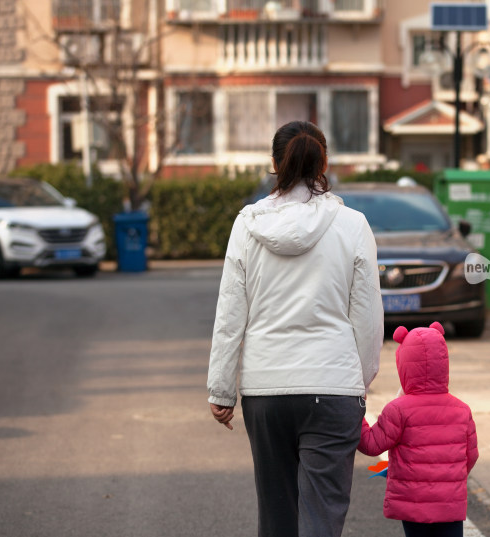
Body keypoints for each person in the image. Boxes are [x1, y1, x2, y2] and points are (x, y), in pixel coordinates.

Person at [207, 120, 384, 537]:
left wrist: (220, 388)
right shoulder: (353, 225)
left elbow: (231, 312)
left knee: (277, 515)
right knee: (322, 515)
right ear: (324, 163)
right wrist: (358, 380)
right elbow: (367, 315)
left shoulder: (247, 225)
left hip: (266, 390)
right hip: (332, 386)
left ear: (275, 162)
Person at [358, 322, 478, 537]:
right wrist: (449, 481)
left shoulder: (398, 409)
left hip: (412, 504)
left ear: (403, 364)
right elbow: (471, 455)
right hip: (449, 503)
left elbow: (371, 444)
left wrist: (356, 412)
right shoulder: (462, 410)